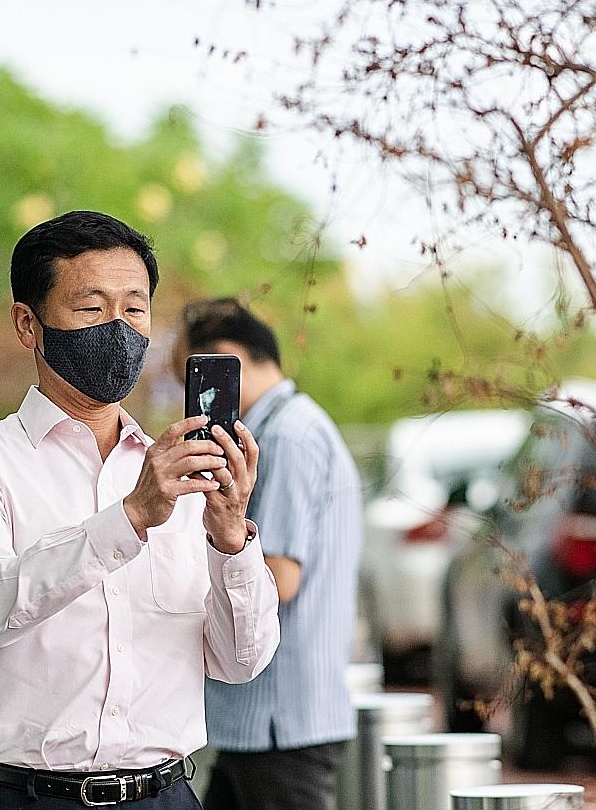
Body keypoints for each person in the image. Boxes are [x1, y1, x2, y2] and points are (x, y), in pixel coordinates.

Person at [0, 212, 280, 810]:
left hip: (163, 795)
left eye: (135, 309)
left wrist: (230, 541)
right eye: (92, 308)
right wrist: (133, 514)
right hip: (19, 796)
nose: (118, 327)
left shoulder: (185, 469)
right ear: (27, 323)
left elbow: (241, 663)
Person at [178, 299, 363, 810]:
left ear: (229, 358)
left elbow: (280, 578)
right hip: (269, 719)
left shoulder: (285, 436)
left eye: (192, 379)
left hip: (280, 718)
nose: (189, 401)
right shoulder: (295, 425)